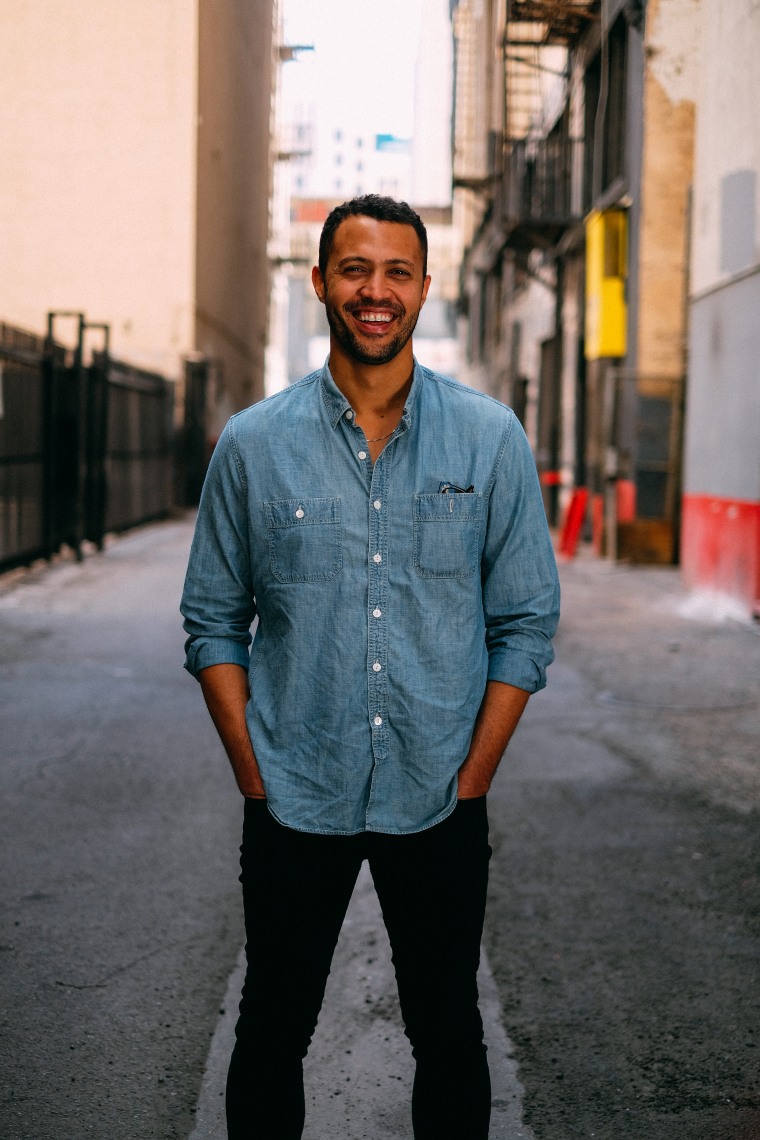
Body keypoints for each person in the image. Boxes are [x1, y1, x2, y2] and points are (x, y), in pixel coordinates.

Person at [180, 194, 560, 1139]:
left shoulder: (490, 439)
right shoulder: (255, 446)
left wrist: (473, 778)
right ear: (321, 283)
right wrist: (251, 767)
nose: (375, 291)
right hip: (293, 791)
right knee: (272, 1031)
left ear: (425, 289)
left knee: (448, 1033)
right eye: (355, 269)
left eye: (397, 272)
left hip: (438, 793)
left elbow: (526, 624)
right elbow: (212, 619)